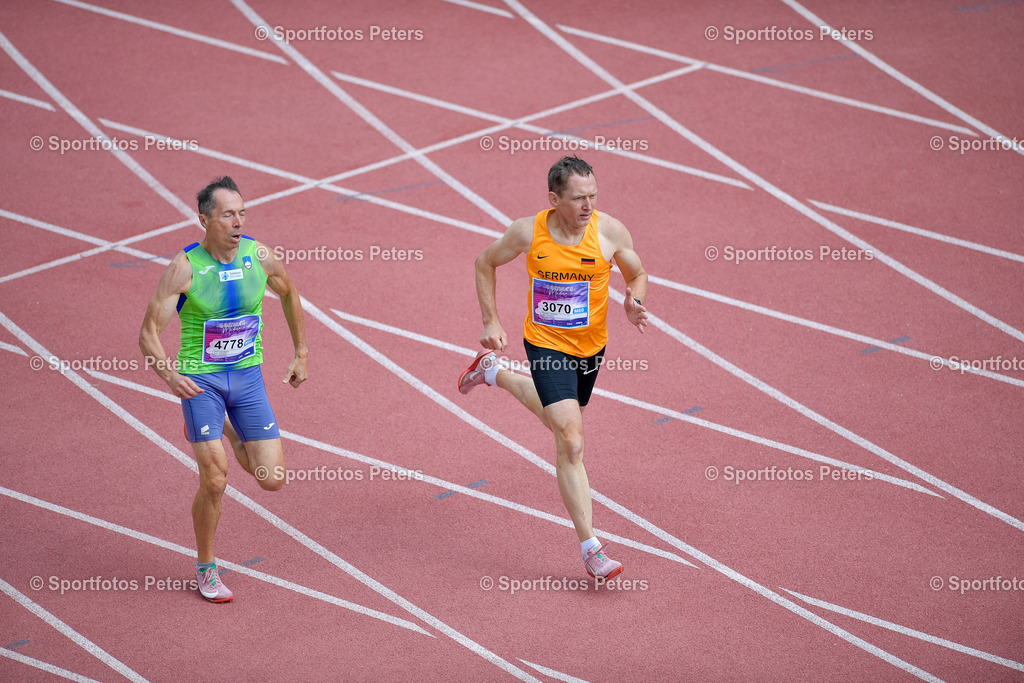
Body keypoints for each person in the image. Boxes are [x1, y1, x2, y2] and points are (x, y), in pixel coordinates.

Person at [459, 156, 648, 580]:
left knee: (565, 421)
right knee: (570, 439)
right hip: (545, 344)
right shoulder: (529, 231)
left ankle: (494, 373)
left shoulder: (610, 231)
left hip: (591, 348)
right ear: (554, 199)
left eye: (593, 195)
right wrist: (491, 319)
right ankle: (591, 548)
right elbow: (484, 262)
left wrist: (633, 301)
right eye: (579, 198)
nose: (588, 205)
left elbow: (637, 273)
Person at [139, 176, 308, 602]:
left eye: (242, 213)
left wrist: (301, 352)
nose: (238, 222)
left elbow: (290, 295)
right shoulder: (185, 268)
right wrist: (169, 376)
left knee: (271, 479)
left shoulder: (260, 256)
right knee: (215, 480)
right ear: (205, 220)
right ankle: (206, 566)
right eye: (228, 214)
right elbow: (148, 334)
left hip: (247, 378)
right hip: (202, 382)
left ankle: (229, 432)